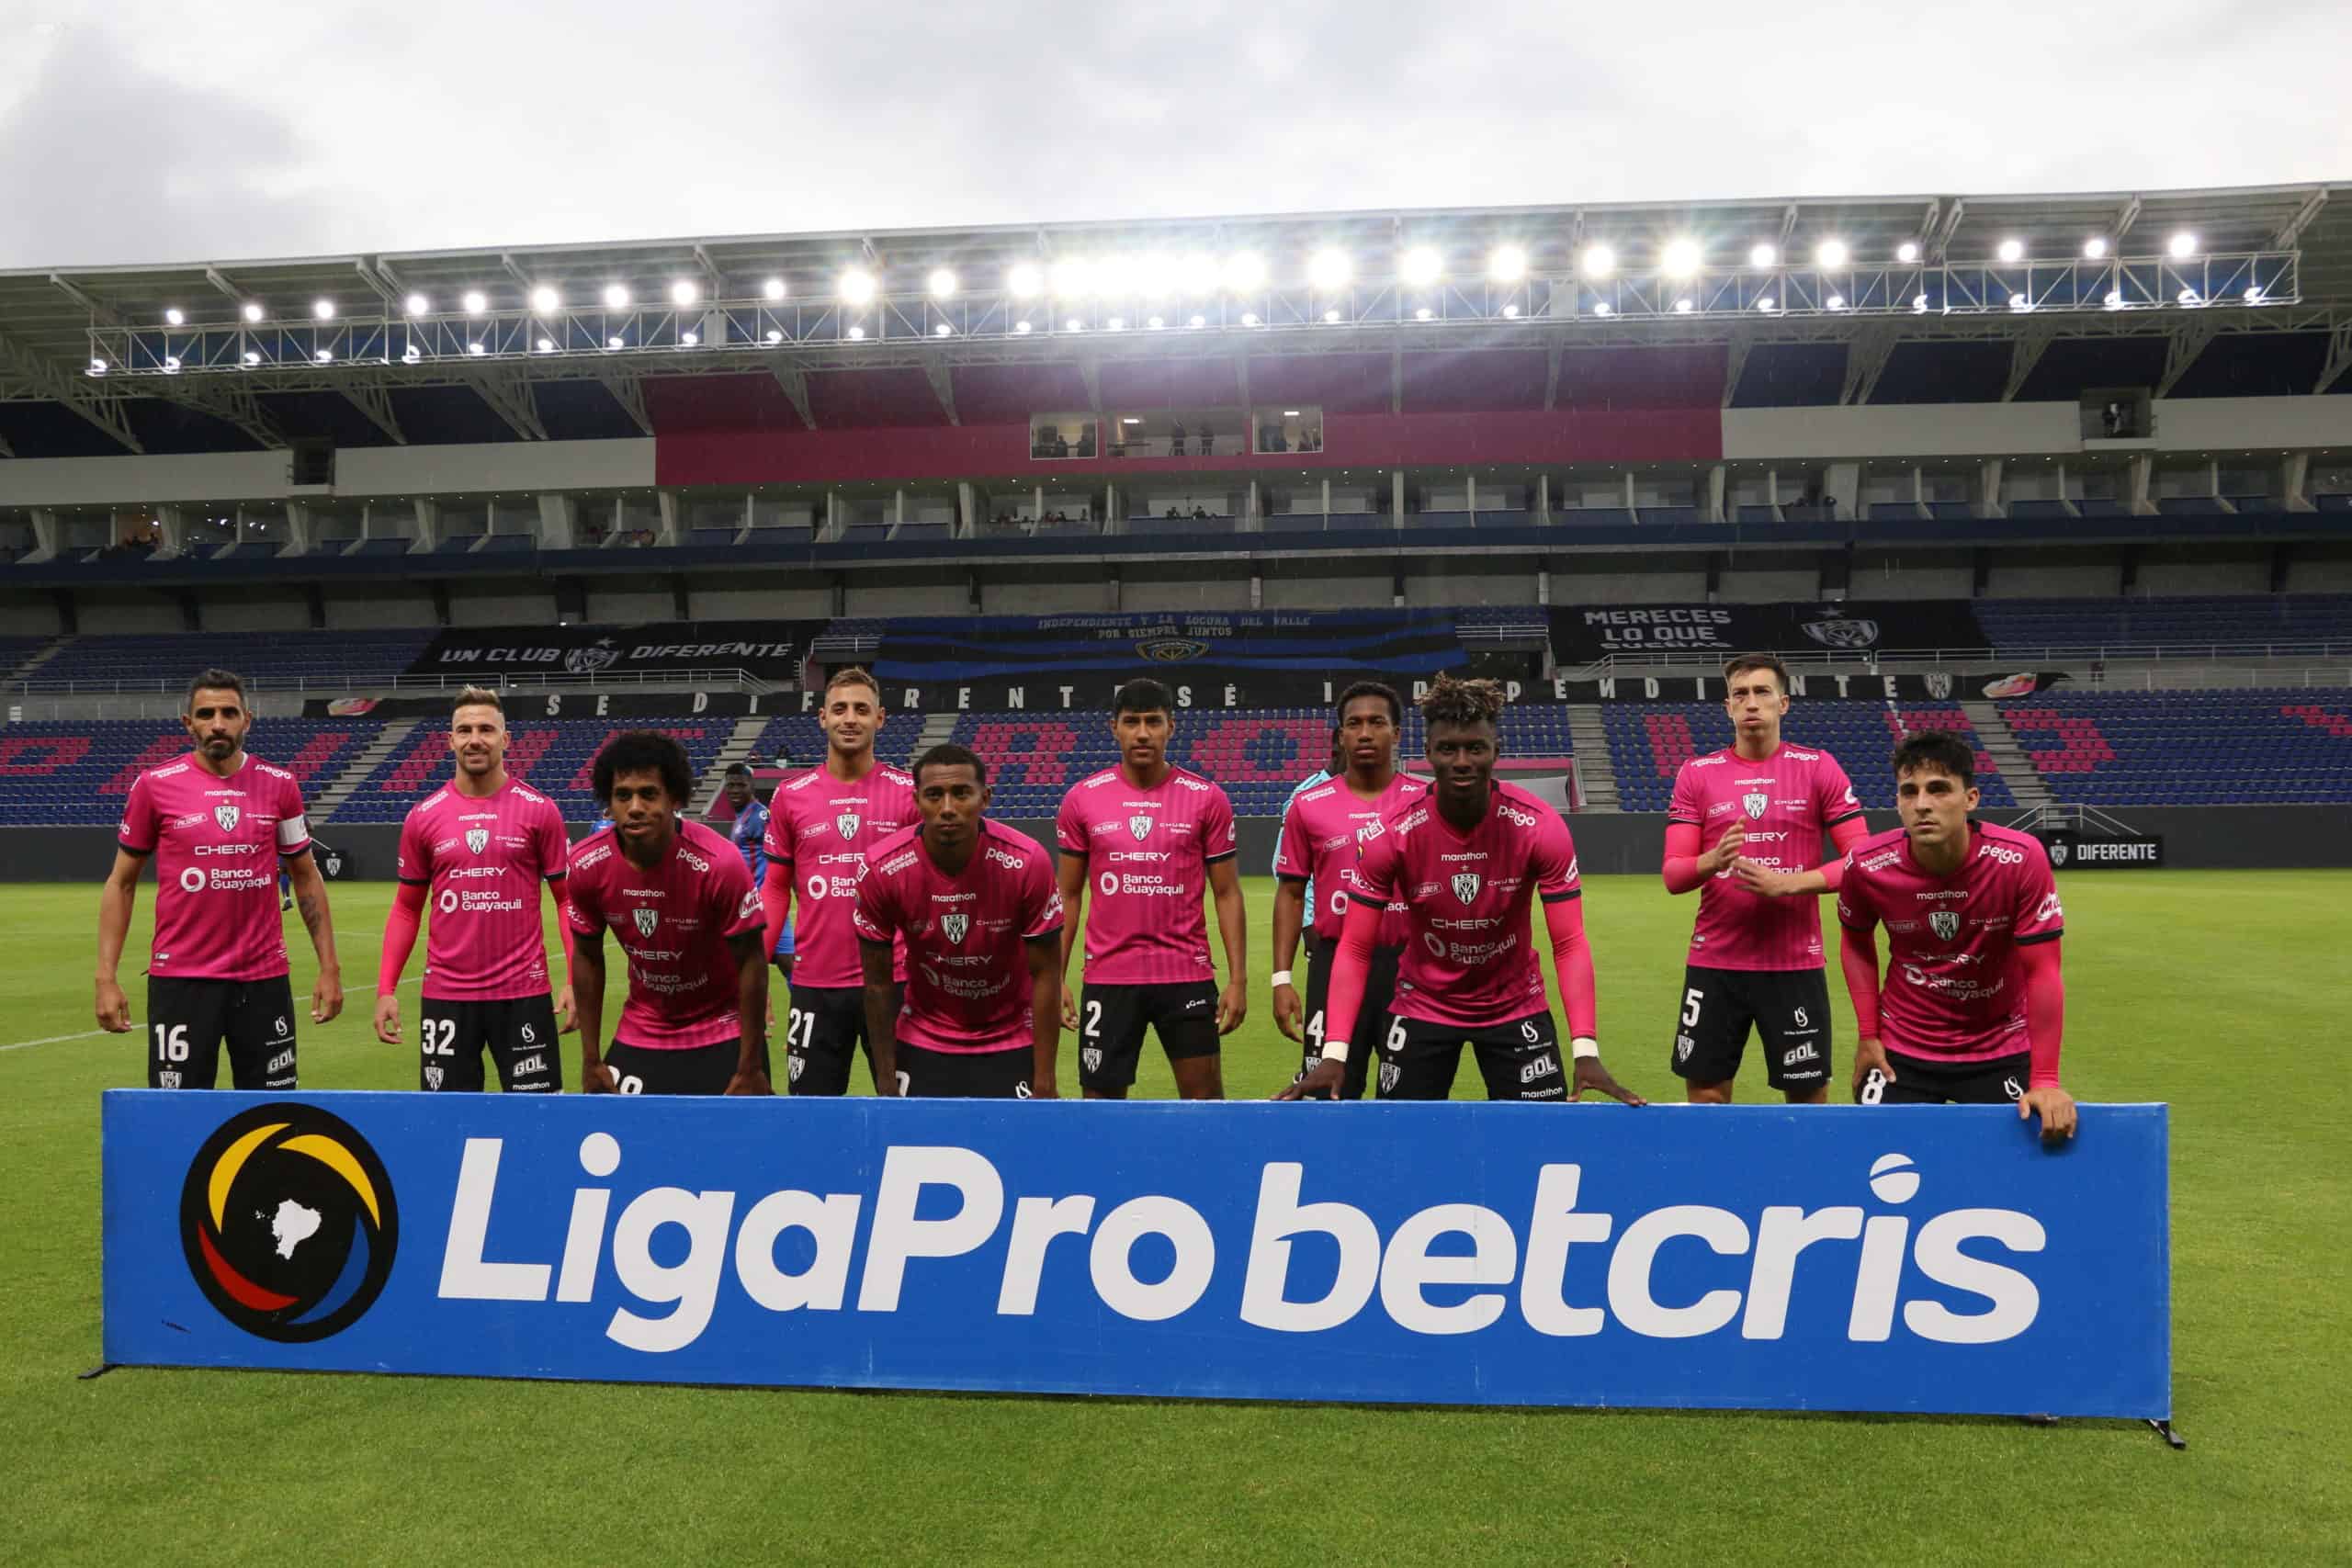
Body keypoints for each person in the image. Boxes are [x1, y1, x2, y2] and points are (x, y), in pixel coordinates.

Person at [1282, 675, 1639, 1105]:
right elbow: (1356, 947)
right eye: (1448, 749)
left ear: (1496, 751)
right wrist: (1335, 1054)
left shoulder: (1539, 827)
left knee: (1538, 1135)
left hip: (1515, 1005)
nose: (1463, 761)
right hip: (1423, 1004)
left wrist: (1585, 1049)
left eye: (1476, 748)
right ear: (1428, 753)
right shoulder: (1393, 832)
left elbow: (1569, 942)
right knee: (1406, 1136)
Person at [96, 668, 343, 1088]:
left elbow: (305, 877)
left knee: (269, 1111)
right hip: (182, 982)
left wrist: (329, 967)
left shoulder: (280, 785)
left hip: (263, 980)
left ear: (247, 720)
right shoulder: (154, 787)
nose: (217, 723)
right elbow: (121, 883)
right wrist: (106, 977)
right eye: (206, 714)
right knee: (178, 1114)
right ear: (188, 723)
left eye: (229, 713)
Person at [1837, 731, 2076, 1140]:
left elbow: (2043, 972)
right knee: (1879, 1156)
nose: (1922, 804)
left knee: (2008, 1165)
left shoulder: (2020, 859)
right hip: (1901, 1048)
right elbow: (1856, 943)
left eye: (1938, 789)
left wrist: (2046, 1080)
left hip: (1998, 1045)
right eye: (1909, 792)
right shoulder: (1866, 865)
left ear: (1971, 798)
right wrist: (1868, 1035)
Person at [1661, 651, 1871, 1105]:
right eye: (1740, 694)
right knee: (1707, 1097)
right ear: (1728, 707)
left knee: (1807, 1099)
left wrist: (1788, 884)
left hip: (1794, 964)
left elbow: (1862, 861)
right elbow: (1674, 875)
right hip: (1716, 964)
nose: (1751, 702)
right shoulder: (1697, 774)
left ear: (1783, 703)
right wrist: (1712, 860)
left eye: (1762, 692)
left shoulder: (1818, 767)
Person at [1055, 677, 1246, 1100]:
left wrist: (1238, 980)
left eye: (1153, 722)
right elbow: (1067, 895)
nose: (1142, 733)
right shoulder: (1082, 799)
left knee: (1205, 1105)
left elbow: (1228, 893)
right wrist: (1056, 978)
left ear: (1170, 727)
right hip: (1109, 977)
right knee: (1100, 1109)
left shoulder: (1207, 798)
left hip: (1186, 974)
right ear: (1114, 728)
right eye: (1132, 722)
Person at [375, 687, 573, 1091]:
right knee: (446, 1119)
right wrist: (385, 989)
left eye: (486, 729)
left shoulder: (540, 810)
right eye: (464, 730)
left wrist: (574, 980)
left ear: (506, 739)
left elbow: (567, 900)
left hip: (523, 993)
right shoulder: (423, 817)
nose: (475, 739)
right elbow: (407, 908)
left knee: (537, 1115)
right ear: (450, 741)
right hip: (446, 996)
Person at [853, 743, 1065, 1098]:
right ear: (916, 801)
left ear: (985, 798)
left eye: (962, 793)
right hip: (923, 1035)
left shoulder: (1028, 862)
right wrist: (886, 1080)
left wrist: (1045, 1078)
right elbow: (877, 984)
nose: (948, 808)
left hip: (1011, 1036)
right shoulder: (882, 868)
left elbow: (1046, 973)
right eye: (934, 795)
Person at [565, 731, 769, 1095]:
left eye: (648, 794)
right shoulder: (586, 863)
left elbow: (751, 961)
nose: (635, 807)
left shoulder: (719, 864)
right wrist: (591, 1059)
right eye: (622, 795)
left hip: (721, 1027)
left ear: (675, 797)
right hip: (643, 1027)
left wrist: (751, 1065)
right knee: (619, 1129)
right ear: (609, 802)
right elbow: (587, 956)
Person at [761, 667, 915, 1094]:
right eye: (840, 709)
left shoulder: (909, 793)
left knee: (906, 1109)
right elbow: (775, 888)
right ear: (822, 717)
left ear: (880, 718)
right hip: (815, 984)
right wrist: (756, 969)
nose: (850, 718)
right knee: (809, 1112)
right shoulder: (791, 795)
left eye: (861, 710)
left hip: (896, 982)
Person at [1272, 687, 1424, 1099]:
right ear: (1341, 736)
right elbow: (1290, 894)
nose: (1365, 733)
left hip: (1409, 969)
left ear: (1396, 733)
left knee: (1407, 1099)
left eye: (1377, 722)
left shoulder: (1425, 801)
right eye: (1354, 724)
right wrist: (1282, 979)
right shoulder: (1308, 804)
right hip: (1332, 962)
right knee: (1326, 1095)